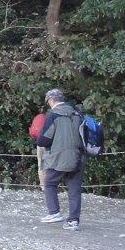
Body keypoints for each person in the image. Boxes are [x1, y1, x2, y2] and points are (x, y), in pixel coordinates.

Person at [35, 89, 84, 231]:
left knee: (49, 183)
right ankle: (73, 221)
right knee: (74, 189)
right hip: (78, 157)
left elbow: (43, 140)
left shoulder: (53, 115)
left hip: (59, 158)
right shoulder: (77, 114)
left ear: (51, 100)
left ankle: (54, 212)